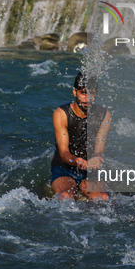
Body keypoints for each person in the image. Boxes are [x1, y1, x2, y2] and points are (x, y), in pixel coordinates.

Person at [51, 71, 111, 201]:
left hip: (90, 169)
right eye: (83, 92)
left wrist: (97, 159)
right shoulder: (61, 114)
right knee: (66, 197)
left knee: (103, 198)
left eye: (92, 93)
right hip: (64, 168)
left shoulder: (104, 115)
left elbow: (99, 150)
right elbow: (64, 153)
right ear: (74, 92)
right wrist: (77, 161)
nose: (87, 98)